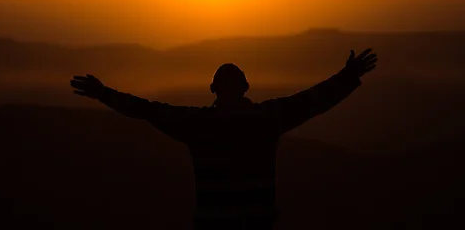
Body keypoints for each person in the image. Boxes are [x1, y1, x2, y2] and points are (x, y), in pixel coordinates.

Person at [70, 48, 377, 229]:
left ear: (213, 89)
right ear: (246, 87)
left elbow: (146, 110)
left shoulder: (197, 124)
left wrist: (102, 93)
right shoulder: (266, 119)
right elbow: (314, 100)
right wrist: (349, 75)